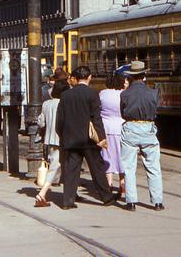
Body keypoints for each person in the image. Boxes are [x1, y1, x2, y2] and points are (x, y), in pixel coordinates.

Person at [55, 66, 116, 210]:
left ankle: (67, 201)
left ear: (75, 78)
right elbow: (96, 119)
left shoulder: (65, 95)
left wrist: (62, 136)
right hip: (89, 140)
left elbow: (60, 119)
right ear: (89, 78)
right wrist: (101, 137)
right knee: (97, 168)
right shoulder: (92, 94)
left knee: (71, 170)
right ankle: (106, 197)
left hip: (71, 138)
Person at [120, 61, 164, 211]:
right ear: (144, 75)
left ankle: (131, 202)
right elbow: (156, 110)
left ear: (131, 77)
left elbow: (122, 113)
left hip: (131, 128)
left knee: (129, 167)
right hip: (148, 128)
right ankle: (158, 201)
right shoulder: (153, 92)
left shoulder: (125, 94)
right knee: (153, 167)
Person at [34, 79, 70, 207]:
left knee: (61, 167)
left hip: (49, 139)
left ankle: (71, 193)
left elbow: (41, 122)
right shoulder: (64, 103)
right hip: (61, 139)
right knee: (55, 167)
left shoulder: (46, 104)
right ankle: (42, 194)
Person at [100, 72, 126, 196]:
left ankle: (109, 184)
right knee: (123, 156)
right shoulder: (124, 95)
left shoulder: (103, 94)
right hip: (121, 128)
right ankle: (122, 183)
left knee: (107, 156)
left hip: (106, 128)